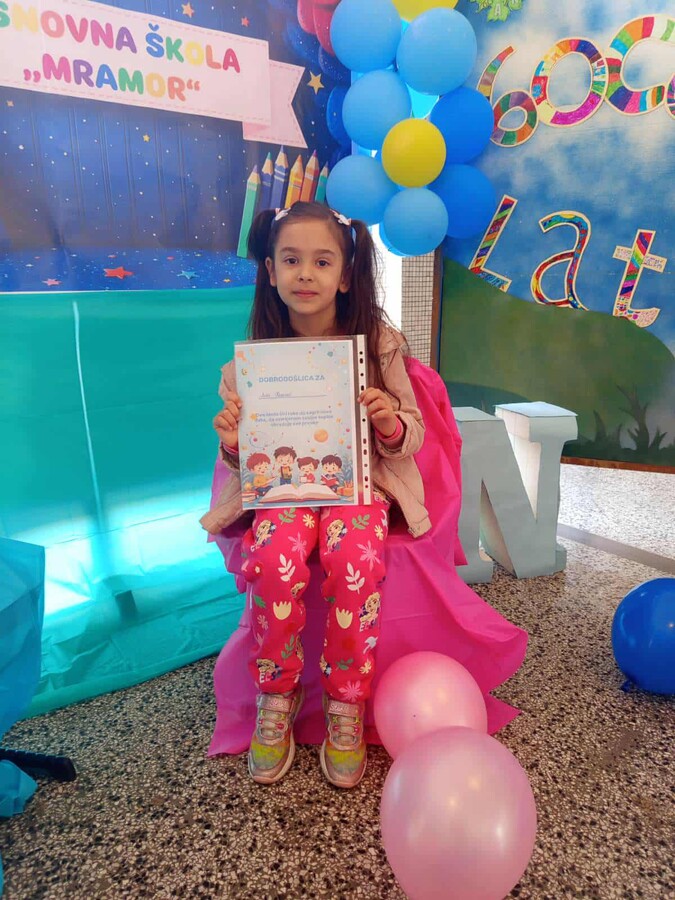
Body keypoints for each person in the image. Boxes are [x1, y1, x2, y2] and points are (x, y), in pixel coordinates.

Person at [200, 201, 430, 789]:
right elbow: (243, 463)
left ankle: (346, 700)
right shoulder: (249, 366)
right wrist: (233, 444)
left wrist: (388, 421)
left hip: (359, 487)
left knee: (354, 558)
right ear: (271, 272)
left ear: (345, 275)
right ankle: (276, 695)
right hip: (285, 491)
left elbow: (413, 434)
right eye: (291, 260)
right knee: (274, 556)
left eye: (322, 262)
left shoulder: (378, 345)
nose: (306, 274)